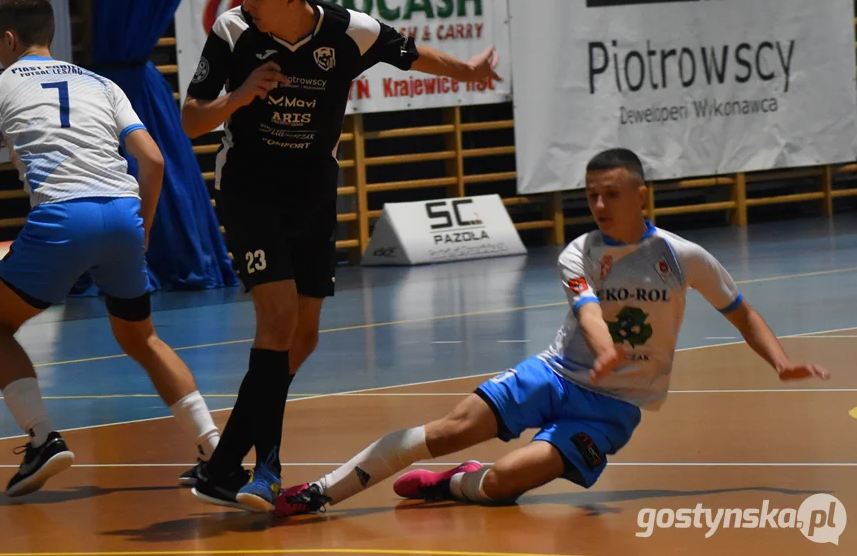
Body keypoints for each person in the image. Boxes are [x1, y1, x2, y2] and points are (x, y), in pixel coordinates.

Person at [272, 147, 832, 516]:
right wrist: (607, 345)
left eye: (611, 193)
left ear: (642, 196)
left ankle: (454, 484)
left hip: (610, 410)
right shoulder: (579, 251)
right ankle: (322, 491)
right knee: (443, 432)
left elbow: (742, 312)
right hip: (554, 374)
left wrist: (779, 361)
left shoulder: (683, 258)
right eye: (591, 193)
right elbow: (588, 309)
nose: (598, 204)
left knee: (501, 487)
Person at [180, 0, 503, 512]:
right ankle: (265, 472)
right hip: (249, 190)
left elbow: (410, 53)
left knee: (301, 340)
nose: (243, 3)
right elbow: (191, 120)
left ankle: (223, 465)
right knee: (276, 321)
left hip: (312, 193)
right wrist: (239, 96)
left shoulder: (349, 32)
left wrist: (471, 73)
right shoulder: (233, 32)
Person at [0, 0, 221, 498]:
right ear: (50, 34)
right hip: (121, 213)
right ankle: (214, 448)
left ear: (7, 38)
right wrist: (144, 230)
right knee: (142, 338)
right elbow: (153, 162)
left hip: (63, 218)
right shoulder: (101, 83)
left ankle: (44, 439)